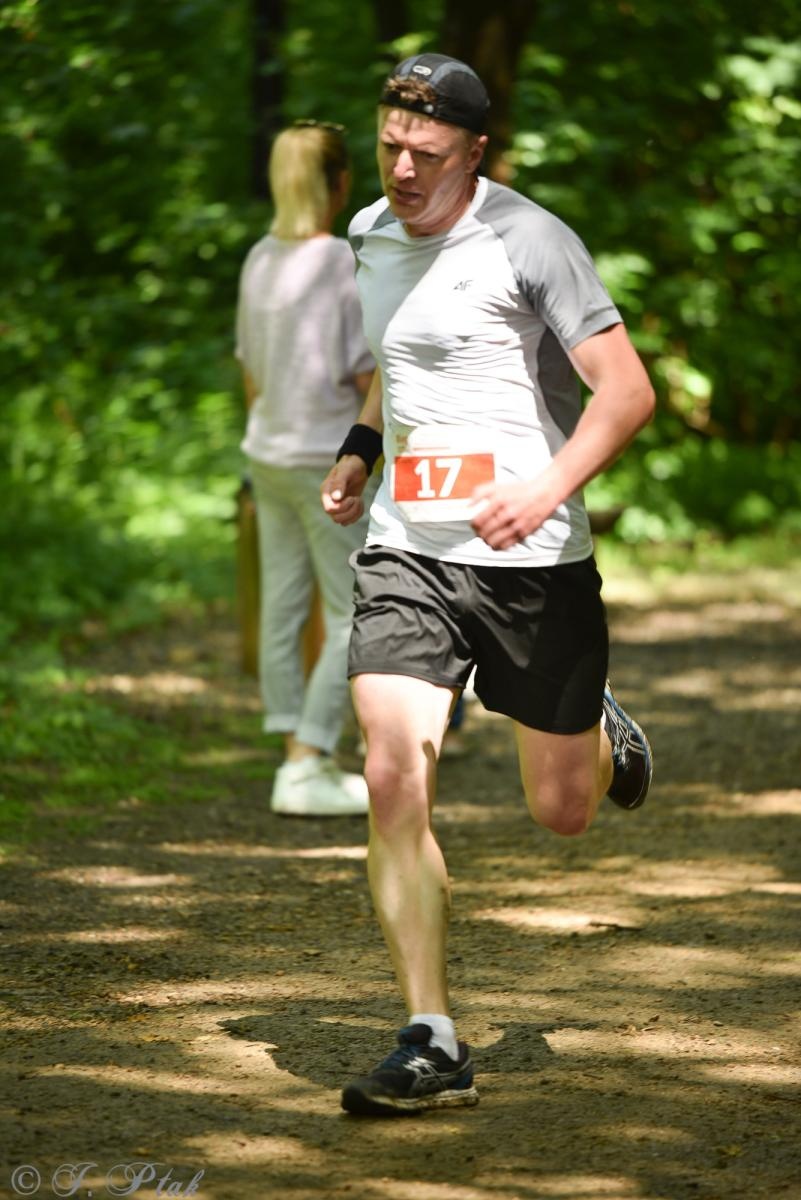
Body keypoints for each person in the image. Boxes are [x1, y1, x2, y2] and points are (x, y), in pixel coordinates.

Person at [321, 54, 656, 1114]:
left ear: (475, 150)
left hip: (530, 557)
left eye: (426, 152)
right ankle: (432, 1036)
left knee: (561, 812)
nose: (404, 168)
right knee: (389, 769)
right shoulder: (369, 233)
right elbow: (400, 353)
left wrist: (547, 483)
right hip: (407, 546)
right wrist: (361, 448)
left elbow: (627, 391)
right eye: (390, 146)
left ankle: (597, 728)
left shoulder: (530, 239)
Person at [236, 120, 377, 818]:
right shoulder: (341, 262)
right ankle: (308, 760)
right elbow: (362, 377)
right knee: (354, 609)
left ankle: (291, 747)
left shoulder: (259, 258)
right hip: (327, 459)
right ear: (341, 183)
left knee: (282, 606)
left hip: (266, 454)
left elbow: (250, 375)